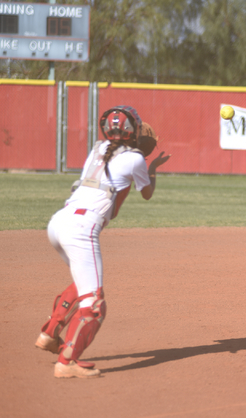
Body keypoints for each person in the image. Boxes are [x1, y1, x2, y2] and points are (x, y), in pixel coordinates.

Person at [35, 106, 171, 378]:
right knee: (95, 304)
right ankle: (67, 362)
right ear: (132, 131)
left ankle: (49, 334)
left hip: (59, 222)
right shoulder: (135, 159)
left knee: (83, 283)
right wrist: (151, 166)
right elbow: (146, 193)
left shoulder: (97, 149)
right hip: (82, 228)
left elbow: (115, 165)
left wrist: (138, 154)